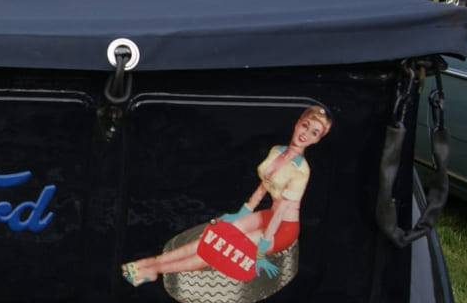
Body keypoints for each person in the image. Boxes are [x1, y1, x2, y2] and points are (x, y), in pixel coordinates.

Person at [121, 105, 333, 285]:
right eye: (305, 125)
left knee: (221, 249)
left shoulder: (301, 171)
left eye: (314, 132)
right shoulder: (278, 151)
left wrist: (262, 249)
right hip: (269, 214)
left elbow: (284, 209)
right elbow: (264, 185)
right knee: (214, 235)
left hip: (283, 227)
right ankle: (151, 261)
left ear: (317, 140)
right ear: (298, 123)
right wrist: (242, 211)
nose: (305, 133)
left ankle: (154, 271)